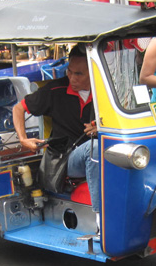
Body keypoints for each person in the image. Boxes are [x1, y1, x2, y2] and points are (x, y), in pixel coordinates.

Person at [12, 45, 100, 219]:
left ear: (93, 72)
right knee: (94, 148)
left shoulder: (104, 91)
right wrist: (23, 139)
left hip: (102, 151)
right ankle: (100, 218)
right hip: (65, 158)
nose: (71, 78)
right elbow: (18, 109)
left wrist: (102, 127)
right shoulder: (55, 90)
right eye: (69, 72)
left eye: (79, 74)